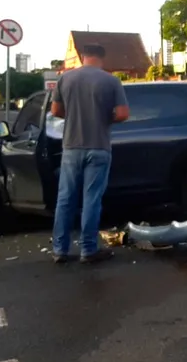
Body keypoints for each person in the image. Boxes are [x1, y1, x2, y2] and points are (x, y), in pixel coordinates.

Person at [49, 44, 130, 264]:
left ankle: (60, 250)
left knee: (65, 199)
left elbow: (55, 111)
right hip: (99, 146)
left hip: (71, 147)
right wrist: (104, 118)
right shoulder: (111, 81)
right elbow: (123, 114)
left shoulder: (65, 78)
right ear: (102, 58)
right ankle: (88, 249)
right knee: (91, 200)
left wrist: (74, 116)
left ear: (83, 56)